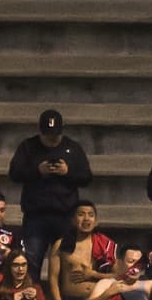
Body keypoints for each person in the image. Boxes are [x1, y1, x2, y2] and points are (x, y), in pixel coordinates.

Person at [8, 109, 92, 283]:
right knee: (31, 260)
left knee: (65, 263)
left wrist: (68, 172)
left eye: (55, 136)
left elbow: (86, 177)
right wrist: (37, 171)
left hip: (65, 215)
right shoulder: (28, 147)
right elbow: (14, 174)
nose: (52, 141)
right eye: (48, 136)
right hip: (36, 215)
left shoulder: (72, 148)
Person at [46, 200, 117, 300]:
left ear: (96, 221)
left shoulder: (105, 244)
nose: (86, 219)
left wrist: (94, 275)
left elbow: (118, 276)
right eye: (81, 214)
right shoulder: (61, 245)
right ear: (73, 220)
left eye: (91, 215)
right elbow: (53, 280)